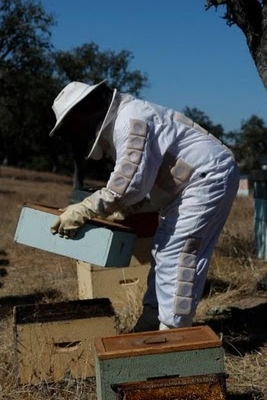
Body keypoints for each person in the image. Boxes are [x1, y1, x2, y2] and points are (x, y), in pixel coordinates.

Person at [49, 80, 239, 332]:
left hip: (206, 178)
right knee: (163, 249)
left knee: (178, 252)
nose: (76, 131)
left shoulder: (131, 120)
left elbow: (129, 184)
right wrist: (128, 208)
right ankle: (152, 319)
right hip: (189, 184)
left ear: (89, 107)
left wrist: (86, 208)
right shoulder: (127, 117)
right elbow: (153, 175)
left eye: (73, 123)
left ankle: (174, 334)